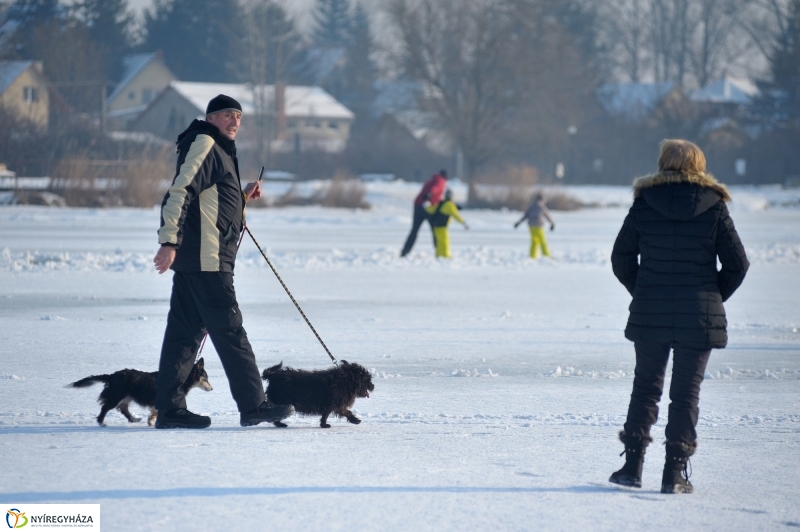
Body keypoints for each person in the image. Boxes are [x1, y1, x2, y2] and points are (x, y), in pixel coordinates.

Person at [608, 139, 749, 493]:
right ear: (698, 166)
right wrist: (711, 297)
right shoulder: (714, 207)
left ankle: (631, 468)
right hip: (697, 317)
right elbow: (737, 264)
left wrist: (644, 290)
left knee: (645, 389)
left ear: (663, 163)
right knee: (686, 395)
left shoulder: (643, 204)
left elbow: (621, 258)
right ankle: (674, 476)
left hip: (652, 310)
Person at [152, 94, 294, 429]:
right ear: (212, 117)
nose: (234, 122)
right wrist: (169, 241)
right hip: (207, 260)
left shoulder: (215, 148)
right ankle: (254, 405)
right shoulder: (205, 143)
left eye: (239, 117)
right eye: (228, 115)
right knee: (230, 329)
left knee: (183, 335)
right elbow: (180, 192)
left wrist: (241, 195)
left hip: (201, 259)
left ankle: (170, 411)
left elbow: (209, 200)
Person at [400, 169, 448, 257]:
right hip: (429, 207)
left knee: (414, 230)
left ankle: (404, 252)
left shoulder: (431, 179)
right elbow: (436, 188)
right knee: (434, 230)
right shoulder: (441, 180)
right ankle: (439, 252)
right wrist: (430, 194)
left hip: (418, 205)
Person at [426, 189, 469, 258]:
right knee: (445, 242)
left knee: (439, 243)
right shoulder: (450, 205)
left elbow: (430, 209)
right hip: (442, 227)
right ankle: (446, 257)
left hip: (435, 226)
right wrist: (463, 222)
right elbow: (456, 215)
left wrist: (426, 205)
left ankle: (438, 256)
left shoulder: (441, 203)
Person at [514, 192, 555, 258]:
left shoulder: (531, 206)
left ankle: (532, 256)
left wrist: (518, 223)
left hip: (531, 226)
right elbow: (547, 216)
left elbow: (525, 216)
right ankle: (547, 255)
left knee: (534, 241)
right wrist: (552, 223)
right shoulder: (542, 206)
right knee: (542, 241)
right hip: (539, 226)